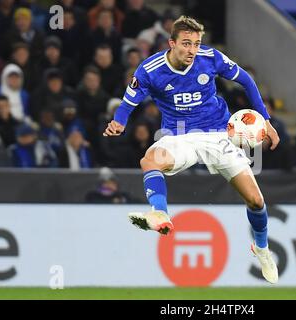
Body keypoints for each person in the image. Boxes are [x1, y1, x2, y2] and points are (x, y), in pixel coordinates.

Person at [103, 16, 280, 284]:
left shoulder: (210, 58)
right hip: (179, 135)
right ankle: (159, 213)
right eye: (186, 44)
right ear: (171, 43)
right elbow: (128, 103)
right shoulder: (150, 70)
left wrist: (265, 120)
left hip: (219, 134)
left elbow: (247, 81)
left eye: (196, 44)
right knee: (149, 160)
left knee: (256, 201)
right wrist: (119, 121)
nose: (192, 50)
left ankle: (262, 248)